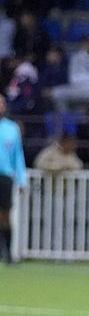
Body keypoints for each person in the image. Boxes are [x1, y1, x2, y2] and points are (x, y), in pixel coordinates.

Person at [51, 32, 89, 112]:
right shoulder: (75, 58)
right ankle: (65, 116)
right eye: (88, 42)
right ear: (83, 43)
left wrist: (84, 76)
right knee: (56, 93)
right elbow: (73, 79)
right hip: (78, 89)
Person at [0, 93, 26, 264]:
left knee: (5, 215)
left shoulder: (12, 128)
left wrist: (21, 179)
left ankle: (8, 253)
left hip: (5, 176)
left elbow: (18, 155)